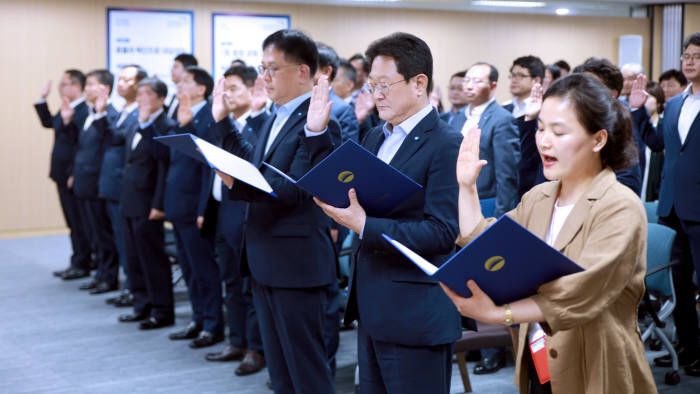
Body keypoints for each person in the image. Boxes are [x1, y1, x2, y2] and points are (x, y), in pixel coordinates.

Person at [443, 73, 656, 393]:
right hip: (537, 360)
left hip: (594, 362)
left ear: (598, 140)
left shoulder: (619, 205)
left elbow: (582, 289)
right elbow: (484, 241)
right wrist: (466, 186)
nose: (543, 140)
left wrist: (499, 313)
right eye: (541, 128)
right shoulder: (541, 196)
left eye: (559, 131)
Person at [313, 32, 465, 394]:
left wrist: (364, 225)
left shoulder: (446, 144)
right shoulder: (376, 137)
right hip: (373, 306)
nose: (375, 94)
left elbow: (443, 232)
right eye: (371, 85)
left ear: (419, 83)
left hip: (415, 312)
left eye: (384, 85)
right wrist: (316, 131)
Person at [216, 29, 342, 393]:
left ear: (302, 72)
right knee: (281, 371)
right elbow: (254, 166)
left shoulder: (319, 122)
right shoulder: (276, 117)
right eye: (262, 68)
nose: (264, 77)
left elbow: (296, 190)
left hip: (297, 265)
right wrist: (221, 123)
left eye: (273, 68)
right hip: (265, 258)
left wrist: (234, 182)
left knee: (308, 372)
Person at [631, 32, 700, 376]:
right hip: (672, 206)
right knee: (680, 284)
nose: (689, 61)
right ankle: (689, 347)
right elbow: (657, 144)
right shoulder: (673, 104)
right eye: (686, 55)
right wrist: (638, 111)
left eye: (697, 56)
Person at [204, 65, 266, 377]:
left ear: (254, 90)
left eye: (234, 88)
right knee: (230, 281)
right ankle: (237, 341)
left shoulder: (260, 123)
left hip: (245, 215)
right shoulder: (223, 124)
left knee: (248, 286)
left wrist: (252, 116)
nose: (227, 95)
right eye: (224, 88)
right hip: (221, 212)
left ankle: (256, 348)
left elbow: (254, 165)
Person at [461, 62, 520, 374]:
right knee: (464, 279)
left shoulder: (502, 119)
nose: (469, 85)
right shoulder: (456, 115)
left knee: (487, 279)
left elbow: (508, 176)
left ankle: (492, 350)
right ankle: (472, 342)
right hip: (460, 206)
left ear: (493, 86)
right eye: (467, 80)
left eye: (477, 80)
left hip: (488, 204)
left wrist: (502, 219)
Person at [164, 66, 224, 349]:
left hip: (195, 207)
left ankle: (212, 324)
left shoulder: (208, 116)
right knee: (188, 268)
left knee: (203, 269)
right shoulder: (183, 113)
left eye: (186, 81)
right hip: (179, 204)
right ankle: (198, 318)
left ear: (201, 88)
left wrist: (203, 209)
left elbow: (206, 169)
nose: (179, 84)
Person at [118, 77, 175, 330]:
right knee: (133, 256)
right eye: (138, 93)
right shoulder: (135, 122)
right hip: (130, 198)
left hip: (149, 201)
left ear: (161, 99)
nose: (140, 98)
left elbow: (164, 167)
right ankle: (142, 304)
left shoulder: (166, 125)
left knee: (152, 258)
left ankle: (161, 310)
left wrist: (159, 203)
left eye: (146, 93)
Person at [33, 69, 91, 280]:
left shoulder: (84, 110)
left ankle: (82, 262)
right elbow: (51, 123)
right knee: (71, 220)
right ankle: (78, 258)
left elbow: (81, 145)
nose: (60, 88)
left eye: (64, 84)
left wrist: (74, 172)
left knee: (78, 220)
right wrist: (42, 100)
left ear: (77, 86)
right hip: (61, 173)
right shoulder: (67, 108)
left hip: (72, 174)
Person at [100, 64, 148, 306]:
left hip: (126, 186)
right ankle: (130, 286)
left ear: (139, 84)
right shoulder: (123, 110)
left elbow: (116, 138)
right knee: (120, 240)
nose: (121, 83)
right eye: (120, 79)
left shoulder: (139, 112)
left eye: (127, 79)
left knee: (129, 243)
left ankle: (133, 287)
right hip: (114, 184)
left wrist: (102, 111)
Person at [72, 69, 120, 295]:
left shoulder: (110, 114)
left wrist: (101, 113)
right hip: (85, 181)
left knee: (103, 232)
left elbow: (111, 143)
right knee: (93, 231)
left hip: (99, 183)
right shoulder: (89, 113)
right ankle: (100, 272)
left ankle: (108, 276)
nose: (87, 88)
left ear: (105, 88)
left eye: (92, 84)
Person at [167, 53, 198, 119]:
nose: (171, 70)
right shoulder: (175, 95)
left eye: (175, 67)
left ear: (187, 69)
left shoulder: (193, 97)